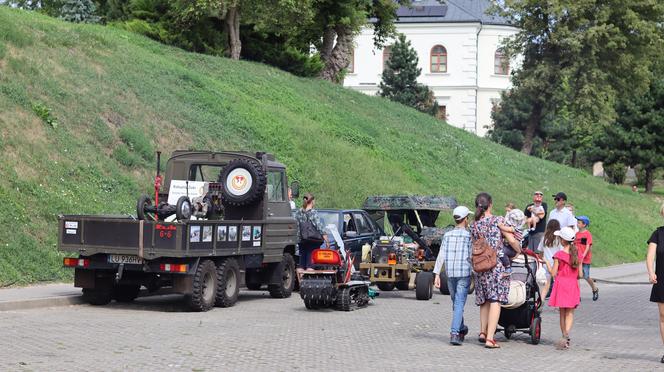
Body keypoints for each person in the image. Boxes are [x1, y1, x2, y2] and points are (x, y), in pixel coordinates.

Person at [470, 192, 521, 349]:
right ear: (490, 204)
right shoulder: (497, 220)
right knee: (495, 300)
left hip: (480, 266)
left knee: (484, 300)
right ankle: (490, 339)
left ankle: (482, 332)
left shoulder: (473, 224)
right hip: (496, 266)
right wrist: (518, 250)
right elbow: (511, 240)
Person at [434, 206, 473, 346]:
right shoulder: (469, 236)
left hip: (450, 273)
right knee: (458, 303)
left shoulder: (447, 235)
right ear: (466, 219)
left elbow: (441, 255)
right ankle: (455, 333)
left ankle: (461, 328)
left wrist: (437, 273)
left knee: (456, 303)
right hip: (464, 273)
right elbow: (471, 256)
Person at [548, 226, 581, 350]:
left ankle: (564, 335)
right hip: (572, 285)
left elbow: (553, 273)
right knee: (570, 313)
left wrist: (547, 263)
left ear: (562, 240)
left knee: (562, 312)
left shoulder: (559, 255)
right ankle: (567, 335)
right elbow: (580, 275)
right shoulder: (577, 254)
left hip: (561, 284)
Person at [646, 203, 664, 363]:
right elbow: (650, 256)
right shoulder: (658, 233)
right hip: (662, 280)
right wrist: (651, 272)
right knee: (663, 316)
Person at [294, 193, 328, 277]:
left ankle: (301, 283)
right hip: (312, 241)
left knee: (301, 265)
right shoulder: (313, 213)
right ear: (312, 201)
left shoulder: (298, 212)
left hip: (301, 240)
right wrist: (326, 239)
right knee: (310, 265)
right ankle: (308, 283)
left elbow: (296, 226)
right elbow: (319, 226)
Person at [575, 215, 598, 301]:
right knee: (576, 276)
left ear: (584, 224)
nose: (577, 224)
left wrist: (583, 255)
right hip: (577, 259)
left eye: (579, 222)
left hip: (585, 259)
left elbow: (588, 246)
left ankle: (594, 289)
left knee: (586, 276)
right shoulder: (576, 234)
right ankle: (577, 294)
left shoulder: (587, 234)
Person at [538, 219, 562, 300]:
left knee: (545, 286)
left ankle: (541, 301)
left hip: (546, 263)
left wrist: (541, 261)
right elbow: (562, 252)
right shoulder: (559, 239)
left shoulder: (544, 238)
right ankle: (558, 303)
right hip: (557, 263)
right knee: (558, 285)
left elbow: (540, 251)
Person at [498, 208, 525, 275]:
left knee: (501, 252)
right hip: (511, 246)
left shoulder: (513, 228)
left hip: (513, 248)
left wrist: (501, 226)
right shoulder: (516, 227)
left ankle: (508, 268)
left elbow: (508, 230)